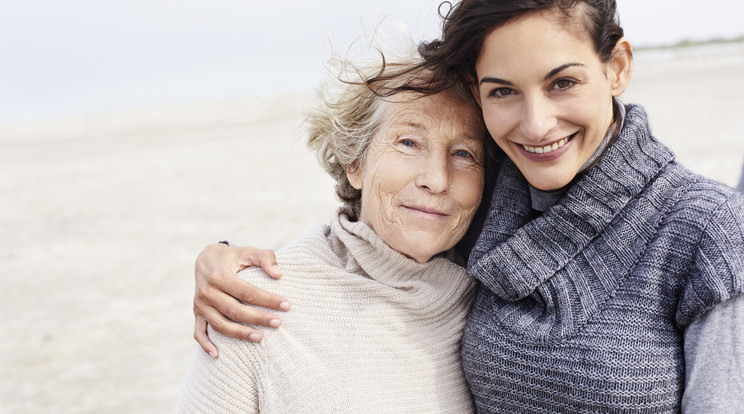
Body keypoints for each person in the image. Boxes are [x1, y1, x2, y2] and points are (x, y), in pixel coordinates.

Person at [193, 1, 744, 412]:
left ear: (617, 67)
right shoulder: (493, 195)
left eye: (564, 82)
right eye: (503, 91)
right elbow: (378, 228)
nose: (536, 124)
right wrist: (221, 257)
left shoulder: (707, 229)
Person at [177, 48, 495, 412]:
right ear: (354, 161)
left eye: (463, 154)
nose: (437, 180)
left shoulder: (493, 300)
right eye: (408, 143)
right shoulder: (252, 303)